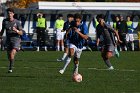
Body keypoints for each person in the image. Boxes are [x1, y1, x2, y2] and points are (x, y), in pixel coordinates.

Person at [0, 8, 23, 73]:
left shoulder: (17, 22)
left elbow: (21, 33)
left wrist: (16, 30)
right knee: (9, 55)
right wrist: (0, 36)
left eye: (10, 13)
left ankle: (10, 68)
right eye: (8, 13)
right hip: (8, 40)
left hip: (16, 39)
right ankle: (11, 63)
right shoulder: (5, 21)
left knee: (12, 53)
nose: (9, 14)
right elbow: (2, 30)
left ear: (13, 14)